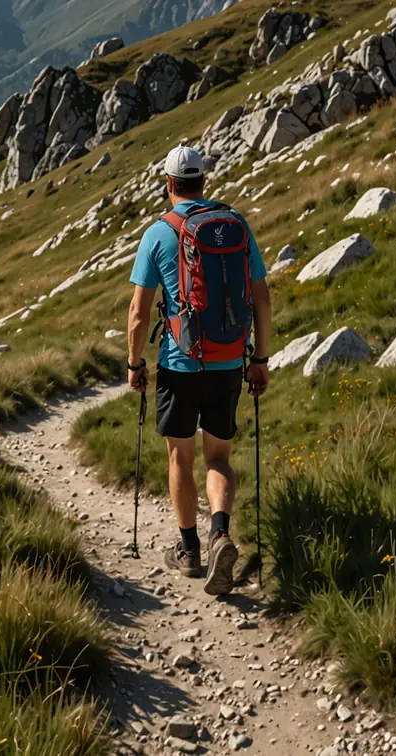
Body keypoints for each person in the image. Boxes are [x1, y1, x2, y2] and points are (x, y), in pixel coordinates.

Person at [126, 146, 271, 596]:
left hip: (180, 364)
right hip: (229, 361)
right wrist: (260, 360)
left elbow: (138, 313)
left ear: (169, 184)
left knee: (180, 458)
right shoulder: (237, 225)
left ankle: (189, 551)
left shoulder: (159, 233)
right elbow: (262, 298)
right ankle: (220, 534)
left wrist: (135, 364)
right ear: (203, 182)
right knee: (218, 458)